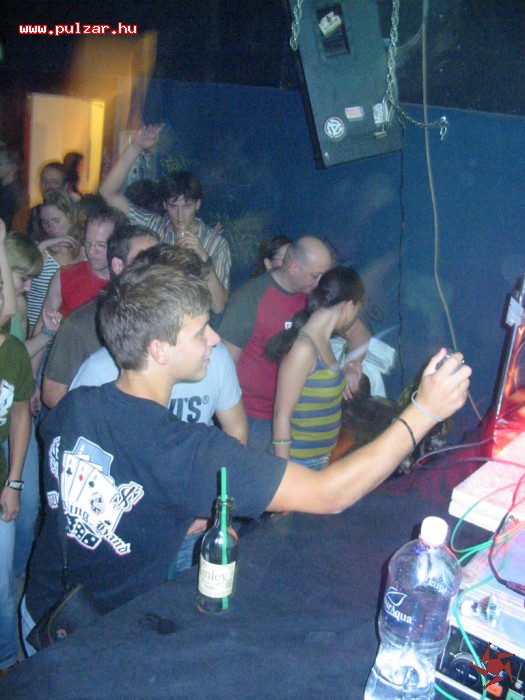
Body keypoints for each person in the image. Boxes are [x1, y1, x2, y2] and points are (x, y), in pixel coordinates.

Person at [20, 259, 470, 651]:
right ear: (159, 350)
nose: (215, 339)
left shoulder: (76, 404)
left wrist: (177, 512)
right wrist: (423, 412)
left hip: (41, 611)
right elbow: (329, 494)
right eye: (200, 331)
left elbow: (107, 484)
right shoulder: (187, 451)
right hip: (96, 641)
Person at [99, 124, 230, 315]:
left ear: (198, 204)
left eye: (187, 206)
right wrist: (135, 146)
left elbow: (218, 307)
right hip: (149, 316)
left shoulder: (216, 244)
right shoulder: (153, 225)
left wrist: (203, 257)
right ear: (165, 205)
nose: (180, 214)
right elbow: (107, 193)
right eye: (173, 206)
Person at [219, 236, 334, 451]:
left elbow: (353, 324)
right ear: (293, 266)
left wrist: (355, 364)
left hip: (295, 416)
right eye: (315, 276)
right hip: (252, 417)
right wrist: (232, 421)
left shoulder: (314, 298)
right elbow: (225, 364)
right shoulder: (250, 297)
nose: (319, 283)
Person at [41, 223, 158, 410]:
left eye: (158, 258)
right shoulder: (83, 323)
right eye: (144, 259)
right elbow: (52, 393)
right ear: (118, 266)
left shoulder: (168, 317)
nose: (156, 267)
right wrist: (102, 421)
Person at [265, 266, 365, 469]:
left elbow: (362, 338)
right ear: (348, 306)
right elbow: (281, 415)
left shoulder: (322, 341)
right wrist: (283, 472)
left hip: (320, 460)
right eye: (357, 309)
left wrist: (352, 365)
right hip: (298, 462)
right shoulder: (304, 349)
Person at [0, 250, 35, 675]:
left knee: (2, 586)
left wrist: (14, 482)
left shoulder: (12, 352)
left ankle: (7, 662)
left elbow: (22, 411)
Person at [26, 189, 85, 331]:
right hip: (35, 328)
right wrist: (45, 245)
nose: (50, 227)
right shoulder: (39, 248)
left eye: (56, 220)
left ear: (70, 216)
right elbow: (23, 272)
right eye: (45, 222)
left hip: (68, 331)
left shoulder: (86, 250)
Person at [25, 162, 66, 242]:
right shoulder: (29, 215)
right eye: (44, 180)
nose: (48, 185)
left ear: (65, 185)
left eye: (54, 181)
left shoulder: (76, 215)